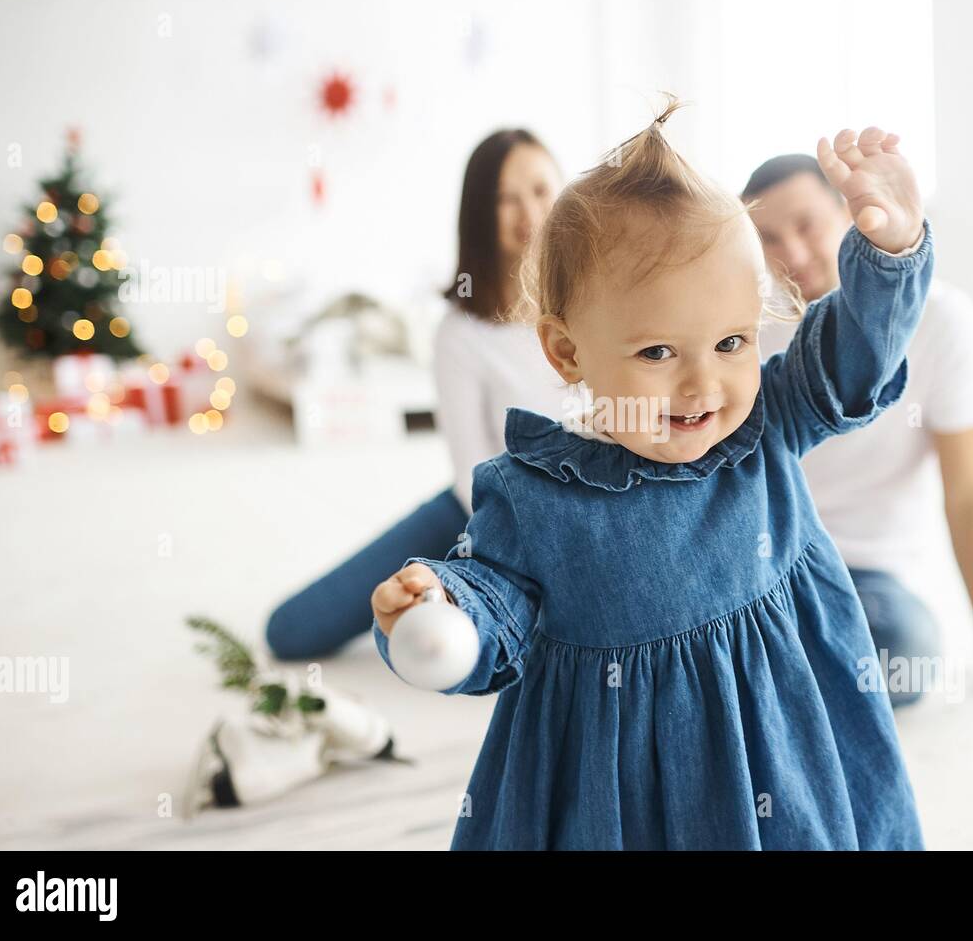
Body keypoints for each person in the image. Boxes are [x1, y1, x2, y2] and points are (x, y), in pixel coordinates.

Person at [371, 102, 933, 849]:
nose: (703, 386)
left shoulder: (764, 422)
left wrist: (890, 250)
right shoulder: (534, 492)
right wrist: (442, 606)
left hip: (786, 748)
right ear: (567, 353)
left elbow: (850, 361)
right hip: (622, 781)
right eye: (659, 353)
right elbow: (495, 599)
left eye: (732, 341)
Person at [744, 153, 973, 706]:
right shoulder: (741, 328)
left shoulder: (944, 323)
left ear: (847, 212)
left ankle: (748, 681)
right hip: (755, 558)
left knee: (903, 651)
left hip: (861, 574)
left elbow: (966, 492)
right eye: (768, 237)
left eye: (806, 224)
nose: (791, 253)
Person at [265, 129, 567, 660]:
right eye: (506, 198)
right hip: (483, 512)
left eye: (542, 191)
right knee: (290, 632)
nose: (530, 212)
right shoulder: (460, 332)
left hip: (582, 508)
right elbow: (471, 476)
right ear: (480, 212)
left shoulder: (592, 303)